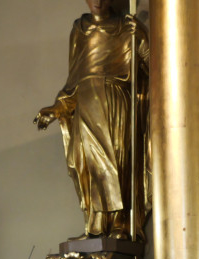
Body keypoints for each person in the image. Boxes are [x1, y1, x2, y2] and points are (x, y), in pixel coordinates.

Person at [35, 0, 150, 240]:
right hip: (86, 101)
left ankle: (120, 223)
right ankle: (96, 225)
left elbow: (151, 64)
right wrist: (56, 109)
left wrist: (140, 39)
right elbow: (74, 78)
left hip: (116, 97)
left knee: (117, 160)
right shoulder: (80, 29)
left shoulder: (126, 27)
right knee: (89, 164)